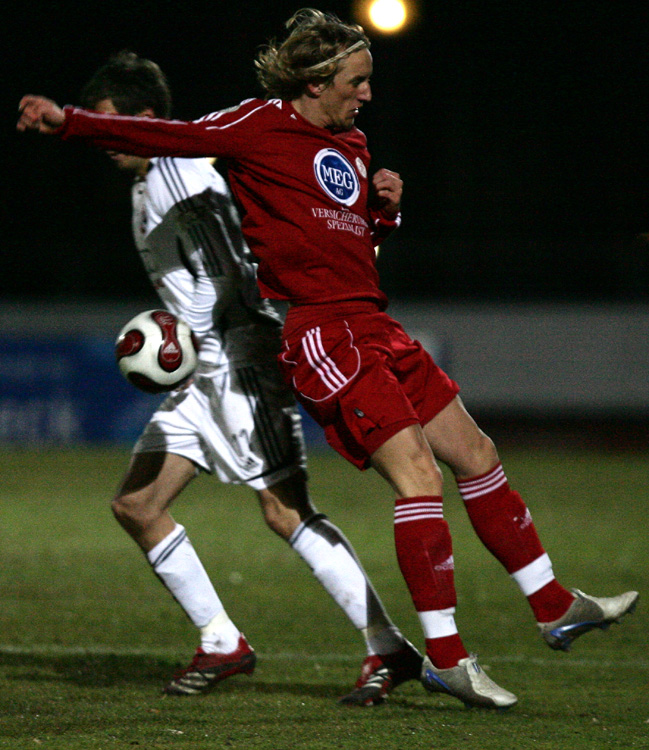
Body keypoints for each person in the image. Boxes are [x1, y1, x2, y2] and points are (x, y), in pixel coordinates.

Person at [18, 9, 639, 710]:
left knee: (475, 452)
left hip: (375, 323)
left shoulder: (352, 145)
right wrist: (70, 123)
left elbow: (352, 245)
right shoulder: (257, 125)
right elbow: (171, 135)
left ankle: (552, 604)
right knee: (414, 478)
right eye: (357, 81)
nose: (367, 93)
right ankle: (443, 657)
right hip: (322, 332)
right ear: (315, 82)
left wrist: (384, 213)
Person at [22, 50, 424, 704]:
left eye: (110, 122)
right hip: (202, 373)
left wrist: (200, 334)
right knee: (137, 506)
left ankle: (388, 646)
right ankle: (221, 642)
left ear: (144, 118)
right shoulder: (150, 182)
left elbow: (236, 261)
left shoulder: (179, 172)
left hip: (238, 362)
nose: (107, 138)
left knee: (285, 510)